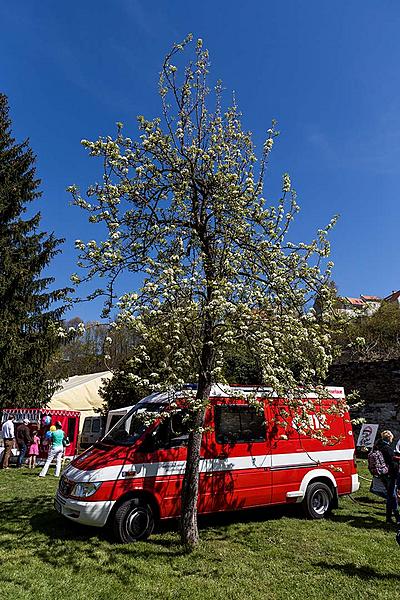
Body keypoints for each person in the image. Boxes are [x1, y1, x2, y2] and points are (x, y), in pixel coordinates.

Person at [376, 430, 400, 524]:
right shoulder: (387, 448)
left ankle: (389, 518)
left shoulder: (379, 446)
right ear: (390, 438)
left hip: (383, 473)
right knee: (392, 497)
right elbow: (391, 461)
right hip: (390, 474)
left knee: (390, 496)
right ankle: (397, 518)